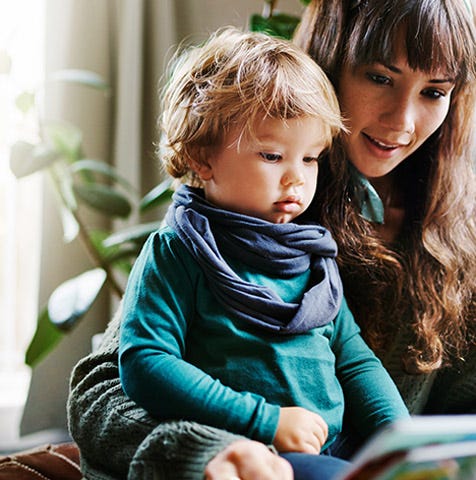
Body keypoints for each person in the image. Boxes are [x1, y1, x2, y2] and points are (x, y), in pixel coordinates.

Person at [67, 1, 476, 479]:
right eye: (380, 78)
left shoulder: (456, 240)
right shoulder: (228, 209)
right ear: (330, 62)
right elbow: (105, 389)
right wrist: (212, 451)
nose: (403, 121)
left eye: (433, 92)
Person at [116, 26, 409, 480]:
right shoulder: (179, 249)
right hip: (257, 457)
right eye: (272, 156)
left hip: (338, 449)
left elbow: (355, 361)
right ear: (201, 156)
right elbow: (145, 363)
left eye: (310, 158)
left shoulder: (313, 256)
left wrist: (399, 437)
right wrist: (264, 420)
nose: (296, 179)